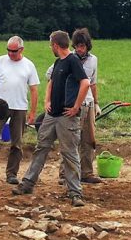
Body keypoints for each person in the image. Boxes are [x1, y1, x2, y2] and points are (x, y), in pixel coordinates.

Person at [12, 30, 90, 207]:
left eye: (50, 45)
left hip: (66, 117)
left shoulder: (73, 61)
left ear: (55, 45)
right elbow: (51, 83)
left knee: (69, 154)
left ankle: (75, 192)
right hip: (51, 115)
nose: (50, 48)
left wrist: (76, 106)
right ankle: (28, 184)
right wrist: (47, 101)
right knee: (41, 148)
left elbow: (85, 83)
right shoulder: (58, 62)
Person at [0, 36, 39, 188]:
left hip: (20, 107)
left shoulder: (29, 65)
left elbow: (33, 90)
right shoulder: (0, 61)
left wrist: (32, 112)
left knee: (16, 143)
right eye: (8, 50)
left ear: (21, 49)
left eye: (14, 51)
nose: (11, 54)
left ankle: (11, 174)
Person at [71, 28, 101, 184]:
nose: (79, 49)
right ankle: (66, 174)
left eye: (82, 46)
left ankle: (87, 173)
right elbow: (52, 76)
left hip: (88, 103)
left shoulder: (93, 60)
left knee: (88, 140)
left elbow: (93, 83)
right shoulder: (69, 58)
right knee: (71, 140)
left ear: (87, 45)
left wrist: (96, 103)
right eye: (76, 46)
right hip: (73, 104)